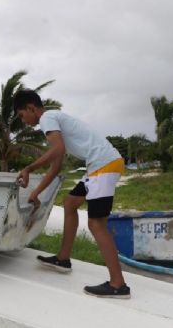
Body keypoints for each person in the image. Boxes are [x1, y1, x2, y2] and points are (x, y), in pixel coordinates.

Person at [13, 89, 131, 299]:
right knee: (69, 203)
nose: (23, 121)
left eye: (22, 115)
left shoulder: (47, 118)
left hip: (104, 166)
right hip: (98, 166)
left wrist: (29, 169)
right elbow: (56, 165)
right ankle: (63, 259)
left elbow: (56, 151)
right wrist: (36, 193)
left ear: (31, 108)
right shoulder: (54, 122)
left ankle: (118, 284)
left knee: (96, 224)